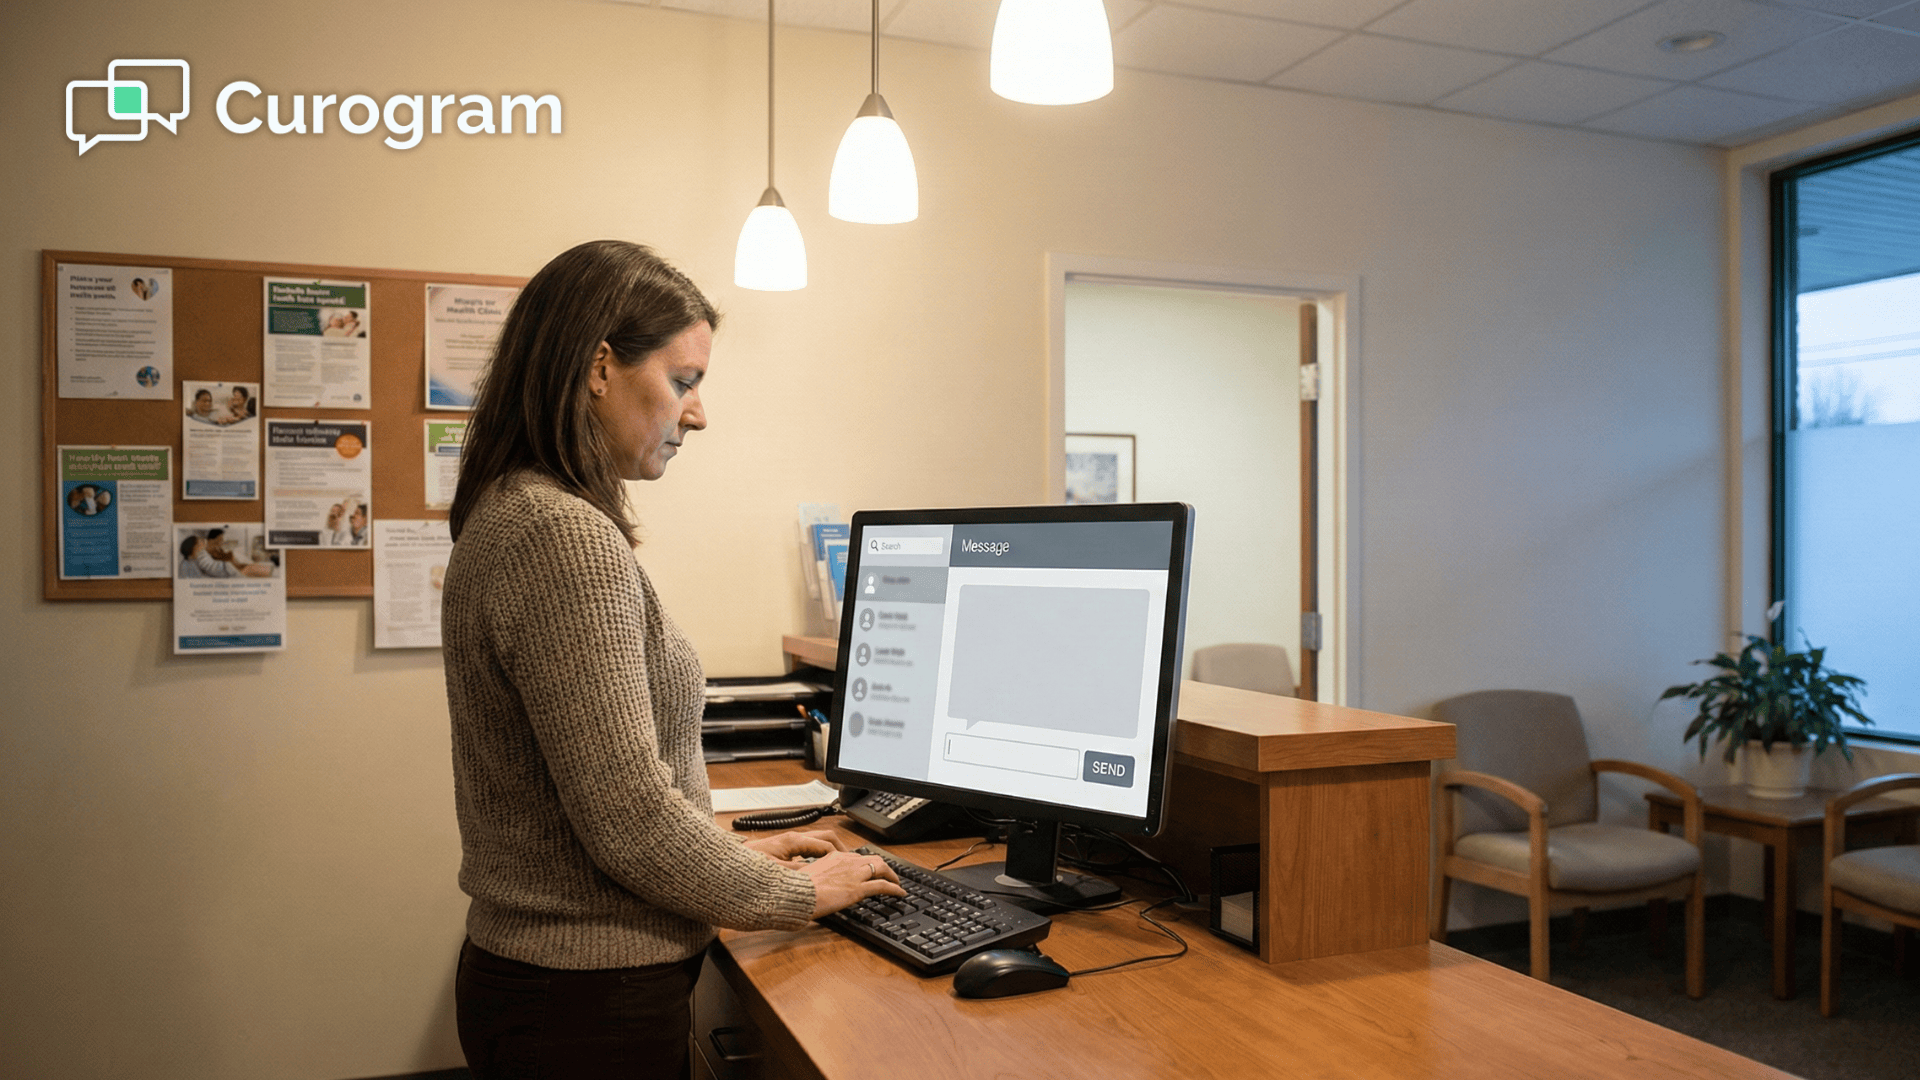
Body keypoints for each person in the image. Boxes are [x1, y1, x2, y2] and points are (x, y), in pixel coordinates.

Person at [442, 240, 902, 1080]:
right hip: (584, 1002)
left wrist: (748, 855)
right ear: (598, 368)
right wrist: (803, 895)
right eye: (684, 382)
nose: (697, 414)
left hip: (556, 988)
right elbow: (627, 820)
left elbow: (594, 801)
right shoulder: (560, 535)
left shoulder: (517, 510)